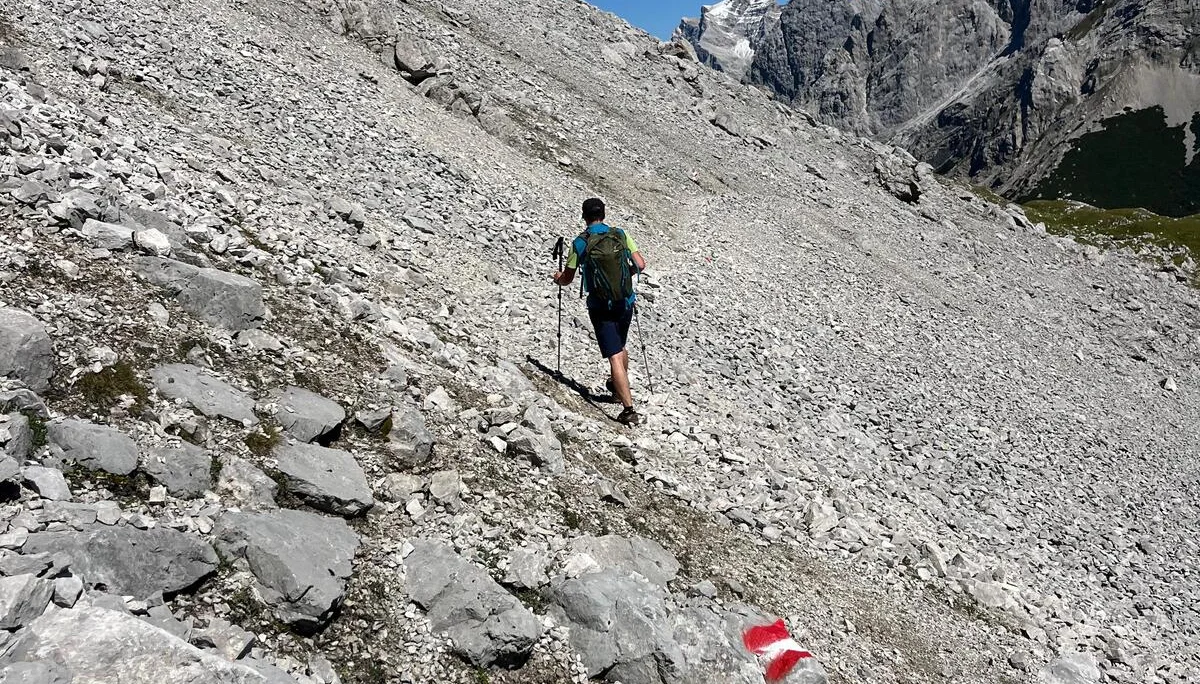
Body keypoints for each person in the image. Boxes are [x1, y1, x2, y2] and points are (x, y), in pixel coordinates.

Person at [552, 198, 647, 426]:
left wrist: (558, 278)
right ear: (603, 215)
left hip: (600, 306)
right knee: (620, 347)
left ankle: (628, 409)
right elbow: (641, 264)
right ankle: (617, 390)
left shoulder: (580, 242)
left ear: (584, 216)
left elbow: (567, 279)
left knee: (614, 355)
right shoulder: (620, 234)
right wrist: (625, 276)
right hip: (625, 301)